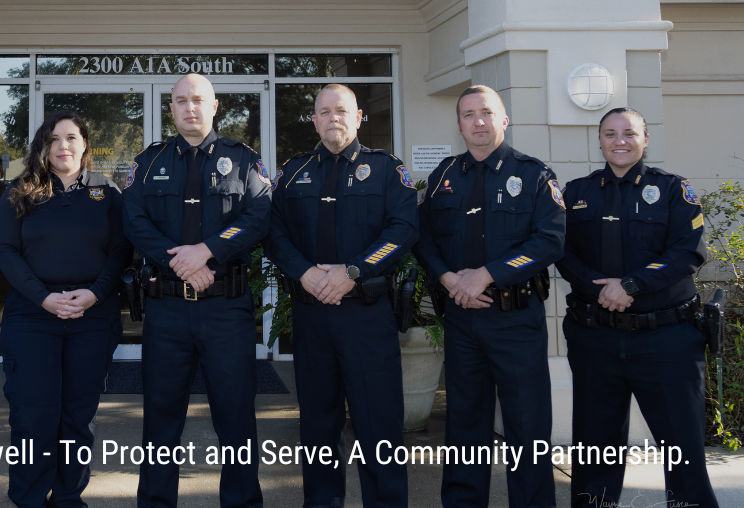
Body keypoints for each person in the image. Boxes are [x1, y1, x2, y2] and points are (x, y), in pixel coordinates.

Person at [264, 84, 418, 508]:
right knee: (317, 423)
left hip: (366, 317)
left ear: (358, 116)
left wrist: (354, 271)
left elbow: (403, 230)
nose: (334, 117)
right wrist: (305, 274)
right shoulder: (293, 172)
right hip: (312, 317)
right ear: (313, 119)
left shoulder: (387, 170)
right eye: (324, 111)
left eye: (342, 110)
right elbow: (274, 234)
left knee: (379, 424)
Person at [122, 73, 271, 508]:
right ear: (171, 109)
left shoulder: (243, 160)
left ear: (214, 106)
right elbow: (134, 221)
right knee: (161, 421)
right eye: (181, 101)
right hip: (167, 311)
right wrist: (178, 262)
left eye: (198, 100)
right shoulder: (148, 162)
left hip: (226, 308)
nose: (190, 107)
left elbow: (258, 217)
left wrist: (206, 251)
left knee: (237, 419)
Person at [558, 108, 719, 508]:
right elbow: (561, 250)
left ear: (646, 139)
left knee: (681, 446)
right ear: (600, 141)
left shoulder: (672, 190)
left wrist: (631, 284)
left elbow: (688, 251)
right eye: (610, 134)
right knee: (595, 447)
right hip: (596, 337)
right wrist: (602, 291)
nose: (620, 141)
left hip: (665, 339)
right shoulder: (576, 192)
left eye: (629, 133)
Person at [413, 85, 565, 508]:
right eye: (468, 115)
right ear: (459, 124)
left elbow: (549, 242)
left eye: (486, 112)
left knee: (527, 425)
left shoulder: (534, 175)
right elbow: (422, 239)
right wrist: (448, 280)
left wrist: (486, 275)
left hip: (516, 320)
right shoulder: (444, 176)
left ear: (504, 119)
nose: (478, 121)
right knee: (465, 423)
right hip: (462, 320)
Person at [0, 110, 132, 507]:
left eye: (71, 138)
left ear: (85, 143)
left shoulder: (108, 192)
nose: (62, 146)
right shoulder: (22, 190)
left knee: (77, 418)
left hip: (93, 316)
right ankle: (30, 499)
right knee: (32, 416)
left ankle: (69, 498)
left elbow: (122, 250)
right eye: (53, 139)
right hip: (33, 317)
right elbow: (4, 249)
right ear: (43, 146)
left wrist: (95, 293)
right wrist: (43, 297)